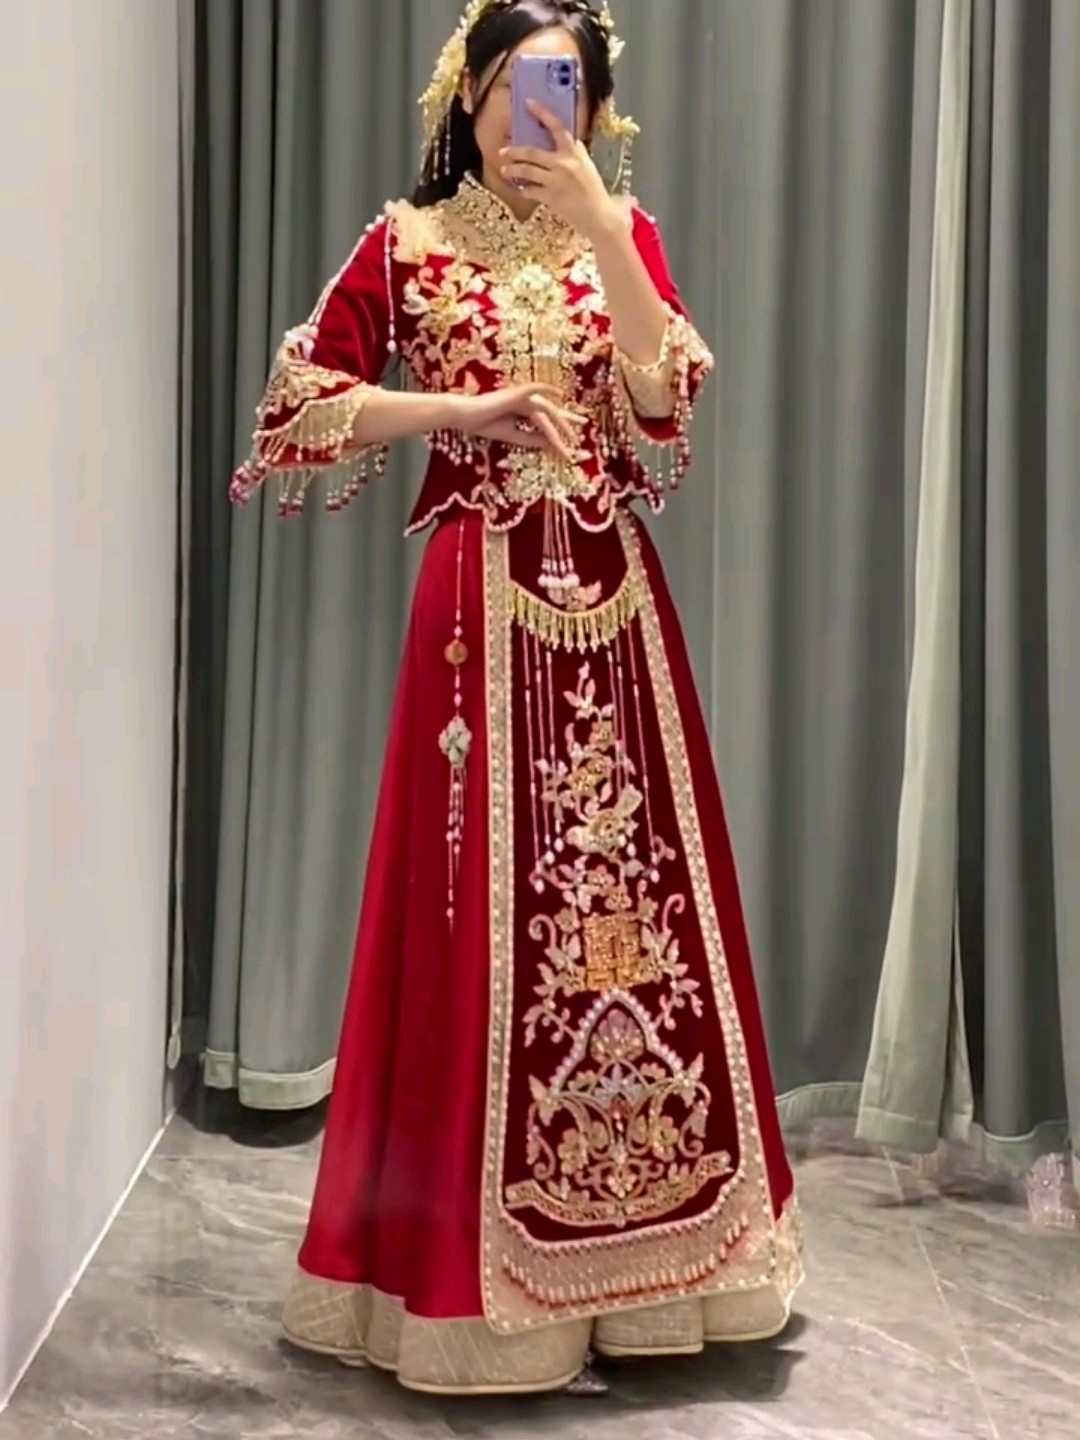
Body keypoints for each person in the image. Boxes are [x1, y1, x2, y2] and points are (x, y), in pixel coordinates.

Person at [232, 0, 803, 1398]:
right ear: (466, 95)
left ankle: (655, 1276)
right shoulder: (408, 241)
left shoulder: (624, 234)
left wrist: (605, 224)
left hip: (614, 612)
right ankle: (478, 1290)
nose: (524, 114)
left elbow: (661, 402)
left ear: (594, 108)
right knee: (476, 914)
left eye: (557, 88)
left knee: (636, 920)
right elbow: (300, 403)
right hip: (477, 616)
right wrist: (463, 413)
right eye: (502, 85)